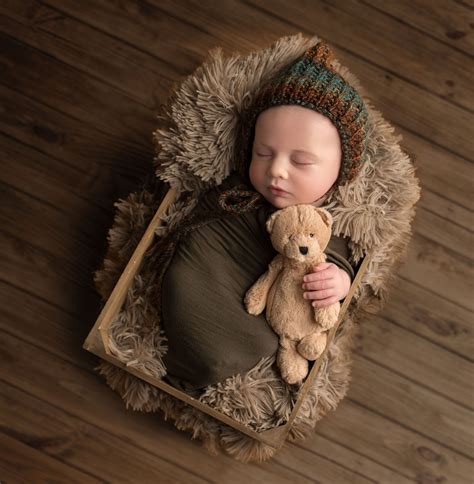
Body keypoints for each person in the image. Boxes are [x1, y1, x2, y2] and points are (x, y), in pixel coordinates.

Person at [159, 41, 369, 394]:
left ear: (341, 171)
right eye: (263, 153)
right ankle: (178, 355)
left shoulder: (333, 221)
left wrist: (339, 282)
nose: (277, 171)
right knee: (181, 278)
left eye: (301, 162)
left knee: (259, 345)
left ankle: (194, 367)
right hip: (210, 269)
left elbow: (339, 259)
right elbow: (199, 222)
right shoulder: (237, 193)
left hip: (261, 314)